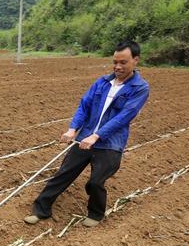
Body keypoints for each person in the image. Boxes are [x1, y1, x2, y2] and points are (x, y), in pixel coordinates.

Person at [24, 40, 150, 227]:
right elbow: (84, 106)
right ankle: (41, 210)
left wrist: (97, 136)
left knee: (96, 182)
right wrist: (73, 129)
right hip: (85, 137)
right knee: (63, 173)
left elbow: (124, 117)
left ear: (136, 60)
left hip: (110, 143)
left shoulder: (140, 88)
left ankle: (96, 214)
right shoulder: (102, 82)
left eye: (123, 62)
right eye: (115, 62)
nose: (117, 66)